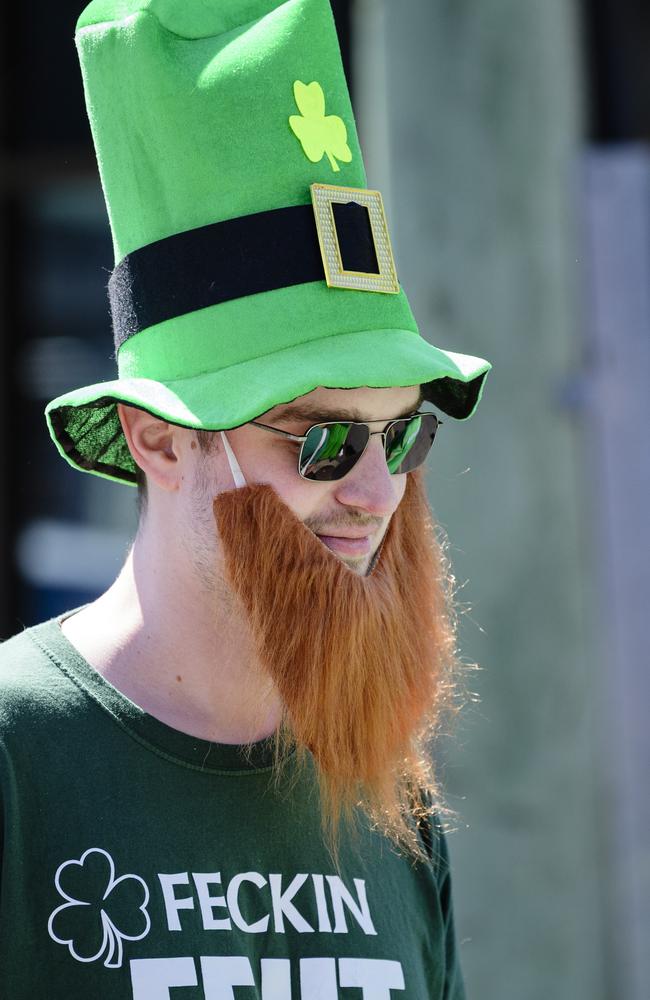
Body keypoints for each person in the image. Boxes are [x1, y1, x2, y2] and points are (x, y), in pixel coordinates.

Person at [0, 0, 491, 996]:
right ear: (160, 438)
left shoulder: (392, 806)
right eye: (319, 438)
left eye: (402, 433)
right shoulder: (18, 756)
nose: (374, 490)